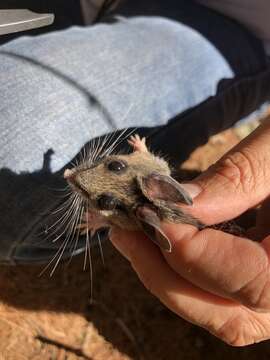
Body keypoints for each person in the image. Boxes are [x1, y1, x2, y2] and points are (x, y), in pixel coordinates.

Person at [0, 0, 270, 345]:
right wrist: (141, 152)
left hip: (229, 20)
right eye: (115, 165)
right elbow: (156, 169)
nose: (73, 175)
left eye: (105, 199)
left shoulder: (137, 217)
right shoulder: (154, 178)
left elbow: (122, 217)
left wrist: (99, 220)